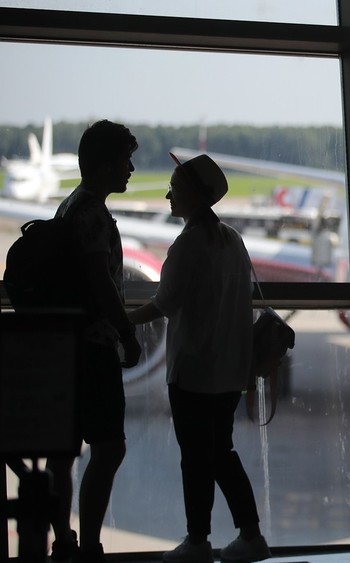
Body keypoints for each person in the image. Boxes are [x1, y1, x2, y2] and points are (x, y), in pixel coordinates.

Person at [128, 154, 270, 563]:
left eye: (174, 188)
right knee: (221, 453)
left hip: (192, 371)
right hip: (228, 371)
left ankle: (197, 542)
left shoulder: (188, 244)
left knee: (195, 459)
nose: (168, 195)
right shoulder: (232, 240)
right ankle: (250, 534)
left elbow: (164, 304)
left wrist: (121, 319)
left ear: (193, 194)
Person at [46, 119, 143, 563]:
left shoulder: (71, 205)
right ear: (106, 165)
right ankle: (88, 546)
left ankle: (64, 540)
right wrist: (127, 332)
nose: (131, 170)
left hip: (66, 345)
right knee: (108, 447)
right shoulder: (92, 214)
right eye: (125, 160)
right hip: (93, 346)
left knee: (64, 450)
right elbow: (100, 281)